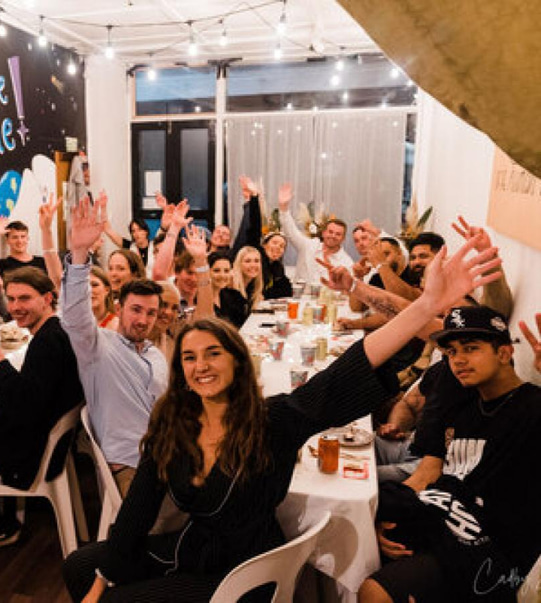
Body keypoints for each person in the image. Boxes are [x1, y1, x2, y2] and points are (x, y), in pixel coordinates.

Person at [63, 234, 502, 603]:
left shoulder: (272, 421)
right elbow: (137, 510)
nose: (201, 366)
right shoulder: (173, 428)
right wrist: (102, 580)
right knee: (80, 566)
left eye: (213, 353)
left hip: (244, 573)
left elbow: (347, 371)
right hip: (192, 550)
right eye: (190, 357)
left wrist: (426, 307)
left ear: (238, 363)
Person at [360, 305, 541, 602]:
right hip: (441, 525)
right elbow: (436, 481)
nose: (458, 360)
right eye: (452, 352)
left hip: (490, 555)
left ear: (505, 353)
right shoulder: (464, 409)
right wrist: (388, 520)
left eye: (471, 348)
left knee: (373, 591)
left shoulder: (531, 408)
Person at [0, 267, 83, 548]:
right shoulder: (57, 332)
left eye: (25, 298)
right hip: (44, 445)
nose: (15, 307)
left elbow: (23, 406)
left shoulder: (48, 343)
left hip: (25, 457)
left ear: (47, 298)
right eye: (11, 299)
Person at [61, 193, 168, 497]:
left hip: (168, 453)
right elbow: (75, 315)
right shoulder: (97, 346)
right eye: (136, 310)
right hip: (132, 464)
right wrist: (80, 254)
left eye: (151, 313)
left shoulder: (154, 354)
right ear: (119, 307)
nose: (143, 319)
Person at [278, 182, 354, 282]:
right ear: (323, 233)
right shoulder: (308, 246)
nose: (333, 236)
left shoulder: (346, 262)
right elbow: (290, 231)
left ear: (343, 239)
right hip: (299, 296)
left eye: (338, 234)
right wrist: (283, 207)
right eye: (330, 232)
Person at [260, 231, 292, 299]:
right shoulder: (256, 262)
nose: (277, 247)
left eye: (282, 246)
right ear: (264, 245)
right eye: (274, 243)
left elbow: (287, 291)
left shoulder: (278, 266)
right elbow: (260, 292)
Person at [90, 266, 119, 331]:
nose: (89, 290)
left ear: (107, 290)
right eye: (85, 286)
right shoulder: (74, 323)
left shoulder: (117, 326)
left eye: (94, 285)